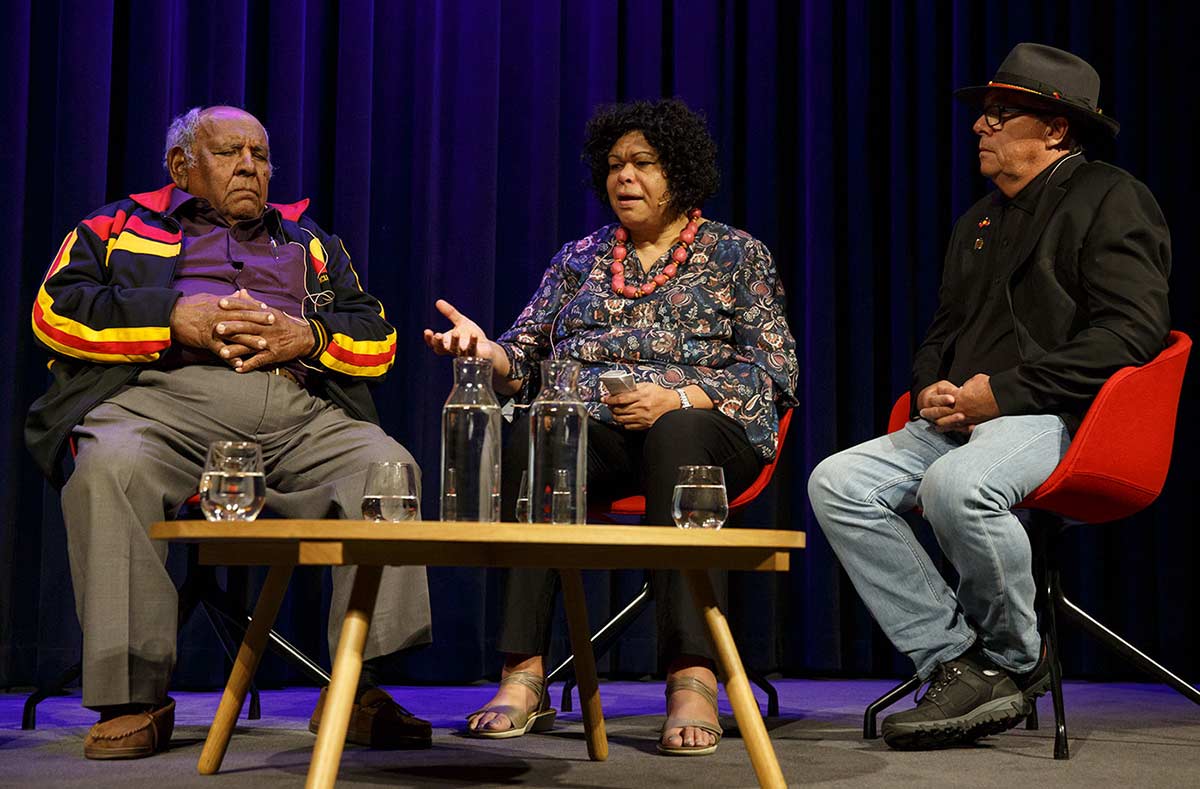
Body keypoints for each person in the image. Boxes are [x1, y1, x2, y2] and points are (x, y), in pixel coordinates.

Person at [26, 106, 434, 759]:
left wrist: (313, 334)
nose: (251, 165)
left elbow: (377, 337)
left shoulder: (308, 241)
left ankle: (358, 685)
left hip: (295, 409)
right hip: (160, 405)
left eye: (261, 154)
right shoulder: (117, 227)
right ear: (181, 166)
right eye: (230, 152)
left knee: (381, 463)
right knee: (110, 463)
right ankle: (135, 695)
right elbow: (55, 313)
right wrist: (169, 317)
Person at [808, 43, 1171, 750]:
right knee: (837, 481)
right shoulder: (978, 221)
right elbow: (941, 333)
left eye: (1001, 115)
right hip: (959, 421)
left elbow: (1132, 333)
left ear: (1057, 130)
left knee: (957, 484)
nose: (981, 126)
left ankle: (1014, 656)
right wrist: (930, 388)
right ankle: (953, 659)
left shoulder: (1111, 197)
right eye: (983, 115)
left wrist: (998, 394)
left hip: (1062, 416)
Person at [424, 98, 798, 756]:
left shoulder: (738, 255)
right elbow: (523, 352)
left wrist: (674, 394)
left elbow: (773, 374)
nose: (625, 176)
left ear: (677, 171)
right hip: (595, 438)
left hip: (708, 436)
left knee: (677, 433)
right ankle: (522, 672)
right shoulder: (580, 258)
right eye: (615, 164)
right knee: (540, 433)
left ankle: (690, 674)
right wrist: (488, 354)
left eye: (643, 163)